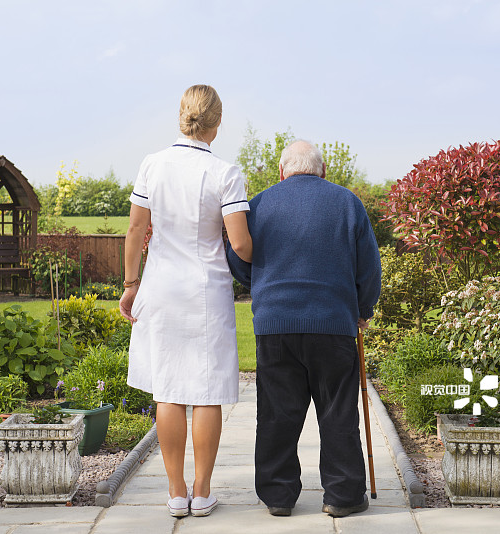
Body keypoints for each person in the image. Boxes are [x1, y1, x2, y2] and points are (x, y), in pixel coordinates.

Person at [226, 140, 381, 518]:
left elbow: (237, 254)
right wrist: (363, 309)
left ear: (282, 171)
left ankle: (278, 496)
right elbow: (369, 267)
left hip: (275, 325)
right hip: (333, 323)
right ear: (323, 170)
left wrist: (260, 286)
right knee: (338, 411)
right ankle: (342, 496)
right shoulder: (348, 203)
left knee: (278, 413)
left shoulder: (259, 204)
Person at [120, 84, 252, 518]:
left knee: (169, 389)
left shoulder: (151, 165)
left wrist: (130, 283)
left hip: (159, 287)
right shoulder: (225, 173)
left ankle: (176, 492)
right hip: (206, 292)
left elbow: (136, 230)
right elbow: (241, 243)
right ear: (217, 123)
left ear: (182, 117)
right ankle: (202, 490)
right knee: (206, 390)